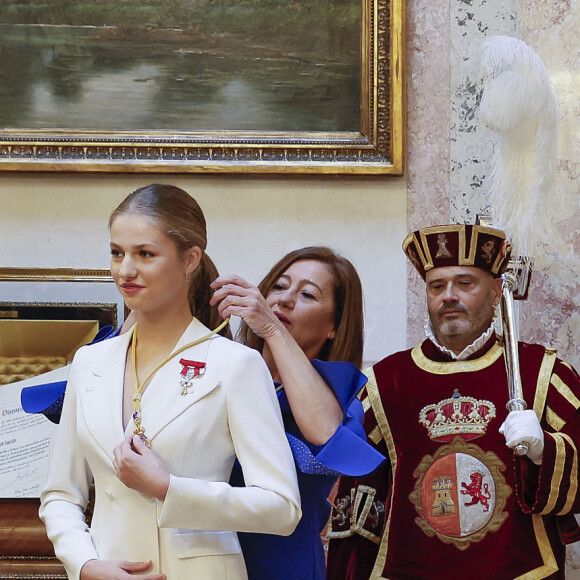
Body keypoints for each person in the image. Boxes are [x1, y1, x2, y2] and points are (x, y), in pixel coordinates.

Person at [38, 184, 301, 580]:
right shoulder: (89, 362)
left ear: (190, 259)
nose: (126, 270)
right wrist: (85, 564)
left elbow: (282, 508)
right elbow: (60, 494)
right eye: (117, 253)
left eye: (145, 254)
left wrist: (169, 489)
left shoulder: (235, 365)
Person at [326, 224, 580, 579]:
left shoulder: (542, 373)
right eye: (436, 286)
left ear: (495, 292)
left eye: (464, 283)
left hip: (521, 571)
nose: (448, 296)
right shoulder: (384, 381)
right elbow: (358, 502)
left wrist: (545, 452)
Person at [210, 247, 385, 580]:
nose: (285, 300)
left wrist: (274, 331)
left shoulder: (336, 398)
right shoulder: (221, 370)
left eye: (307, 294)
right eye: (278, 286)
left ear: (334, 325)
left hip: (281, 566)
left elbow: (329, 436)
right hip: (200, 558)